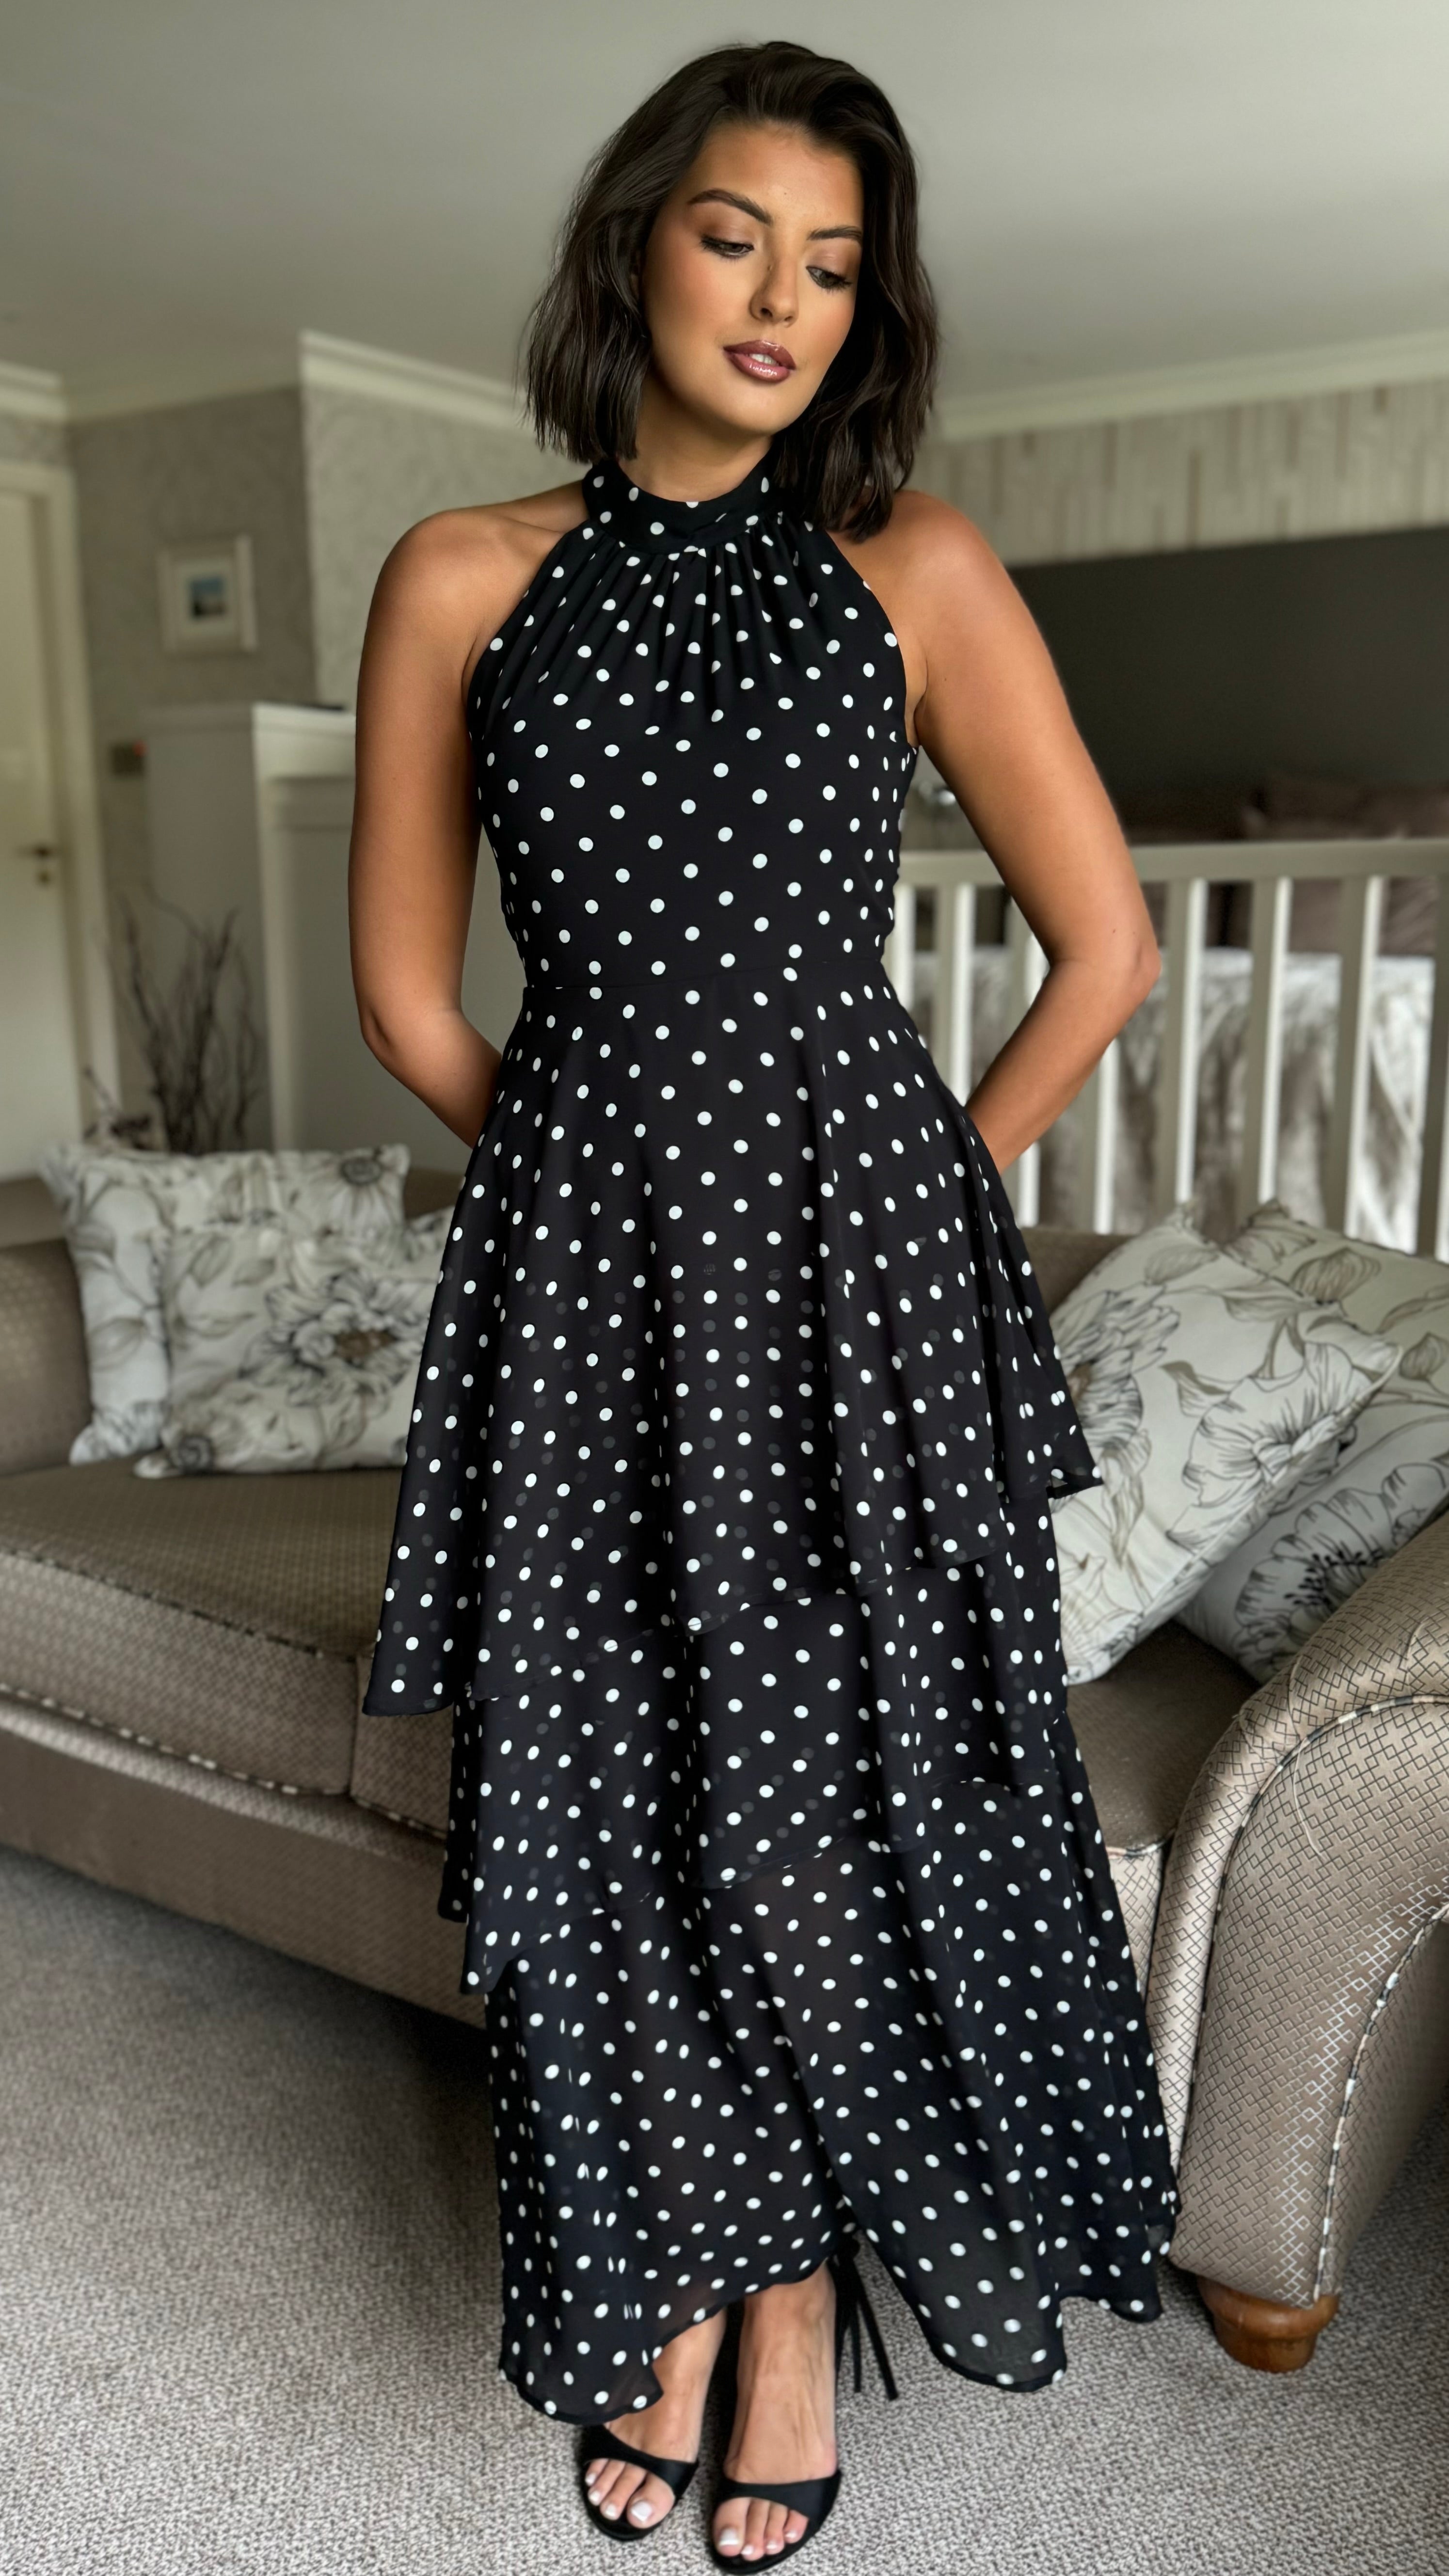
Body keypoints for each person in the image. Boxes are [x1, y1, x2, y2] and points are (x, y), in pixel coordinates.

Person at [350, 37, 1174, 2568]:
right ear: (636, 245)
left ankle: (791, 2307)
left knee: (823, 1802)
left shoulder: (916, 568)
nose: (782, 301)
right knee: (621, 1799)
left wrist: (910, 1196)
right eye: (736, 237)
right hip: (591, 1305)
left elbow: (1107, 951)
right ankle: (687, 2276)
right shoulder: (463, 574)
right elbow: (406, 997)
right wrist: (604, 1190)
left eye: (832, 264)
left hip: (861, 1307)